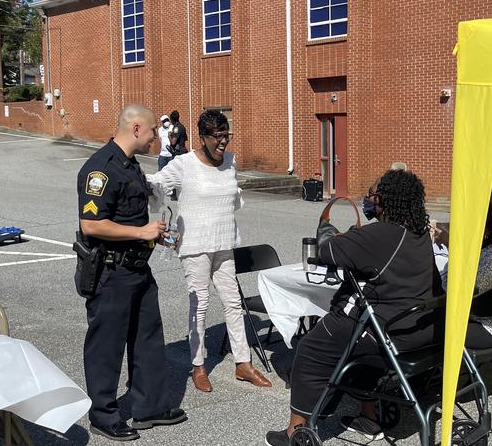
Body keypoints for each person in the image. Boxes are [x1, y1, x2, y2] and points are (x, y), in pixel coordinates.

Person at [265, 169, 443, 446]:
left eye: (372, 195)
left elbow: (326, 252)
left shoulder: (380, 234)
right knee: (356, 352)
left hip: (387, 329)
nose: (369, 200)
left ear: (386, 200)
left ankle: (295, 430)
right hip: (419, 328)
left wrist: (333, 234)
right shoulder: (418, 233)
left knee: (310, 349)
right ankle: (369, 417)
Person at [75, 104, 186, 441]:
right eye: (154, 130)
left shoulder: (131, 166)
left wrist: (154, 233)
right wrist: (141, 233)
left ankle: (149, 407)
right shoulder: (101, 169)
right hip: (111, 273)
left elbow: (130, 217)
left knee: (148, 340)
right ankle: (103, 414)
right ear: (136, 128)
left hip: (138, 270)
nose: (158, 137)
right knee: (107, 346)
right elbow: (91, 224)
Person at [146, 109, 272, 393]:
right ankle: (198, 366)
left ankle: (243, 363)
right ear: (202, 138)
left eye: (226, 135)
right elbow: (156, 187)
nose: (223, 142)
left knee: (233, 303)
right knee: (199, 305)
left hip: (224, 242)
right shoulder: (183, 164)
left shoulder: (230, 161)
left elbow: (233, 194)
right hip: (195, 246)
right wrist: (134, 178)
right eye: (217, 137)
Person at [439, 202, 492, 348]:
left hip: (491, 327)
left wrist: (452, 248)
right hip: (478, 318)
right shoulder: (487, 250)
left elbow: (462, 291)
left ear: (486, 230)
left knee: (429, 330)